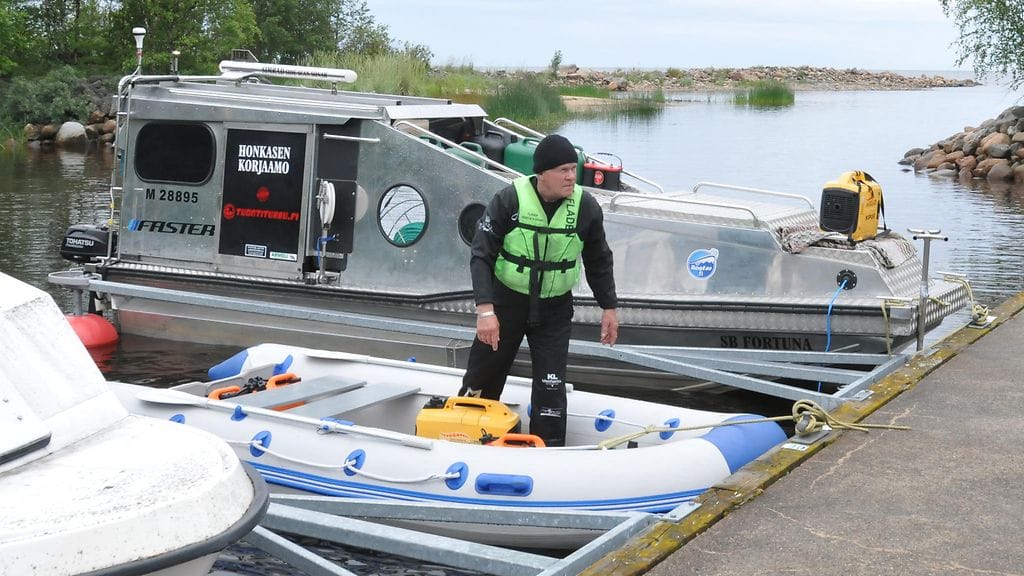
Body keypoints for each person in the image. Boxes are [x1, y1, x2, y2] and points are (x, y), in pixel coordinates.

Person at [459, 133, 618, 447]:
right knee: (484, 376)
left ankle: (548, 450)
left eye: (573, 168)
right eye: (563, 170)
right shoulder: (509, 200)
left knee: (551, 386)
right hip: (506, 304)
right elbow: (481, 255)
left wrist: (609, 307)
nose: (571, 176)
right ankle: (466, 437)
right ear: (542, 173)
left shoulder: (585, 207)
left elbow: (599, 259)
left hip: (554, 309)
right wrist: (485, 311)